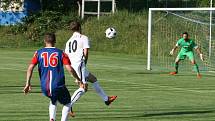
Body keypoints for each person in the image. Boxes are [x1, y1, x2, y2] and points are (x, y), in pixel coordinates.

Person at [23, 33, 81, 121]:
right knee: (68, 102)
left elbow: (30, 68)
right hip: (58, 85)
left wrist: (27, 83)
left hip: (45, 87)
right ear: (55, 41)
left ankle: (52, 118)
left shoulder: (38, 53)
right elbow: (69, 68)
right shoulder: (61, 53)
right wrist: (78, 79)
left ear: (44, 41)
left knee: (53, 99)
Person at [65, 21, 117, 116]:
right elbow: (86, 53)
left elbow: (66, 57)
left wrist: (74, 72)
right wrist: (83, 66)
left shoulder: (68, 42)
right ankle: (68, 106)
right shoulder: (84, 38)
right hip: (80, 65)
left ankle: (106, 99)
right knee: (83, 88)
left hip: (72, 66)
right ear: (80, 27)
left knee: (93, 79)